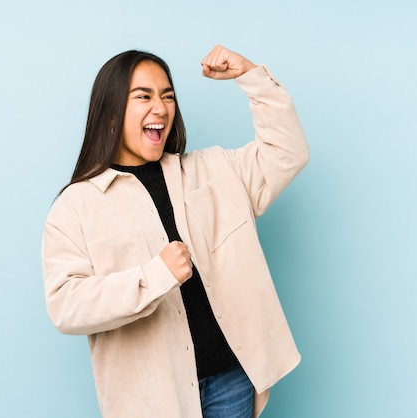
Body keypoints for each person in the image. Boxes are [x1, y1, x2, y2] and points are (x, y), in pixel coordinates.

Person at [41, 45, 309, 418]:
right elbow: (66, 306)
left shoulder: (215, 170)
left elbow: (287, 152)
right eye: (144, 96)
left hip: (232, 381)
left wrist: (252, 76)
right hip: (151, 400)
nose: (161, 107)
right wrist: (155, 276)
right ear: (112, 112)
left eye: (167, 96)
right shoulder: (76, 205)